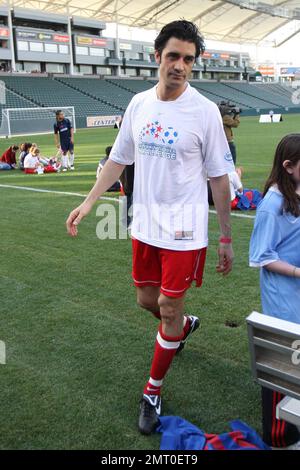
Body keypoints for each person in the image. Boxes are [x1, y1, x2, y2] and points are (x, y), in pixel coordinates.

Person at [66, 20, 234, 436]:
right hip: (145, 227)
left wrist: (226, 236)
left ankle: (152, 391)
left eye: (189, 59)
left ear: (194, 65)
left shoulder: (205, 111)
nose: (180, 65)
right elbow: (119, 160)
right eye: (173, 56)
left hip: (184, 232)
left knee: (168, 306)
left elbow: (218, 178)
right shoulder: (139, 105)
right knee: (148, 302)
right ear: (156, 56)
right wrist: (89, 202)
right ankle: (184, 326)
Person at [249, 133, 300, 450]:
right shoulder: (272, 204)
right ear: (289, 166)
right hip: (284, 294)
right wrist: (297, 272)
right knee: (286, 363)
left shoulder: (295, 191)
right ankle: (281, 435)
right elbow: (261, 256)